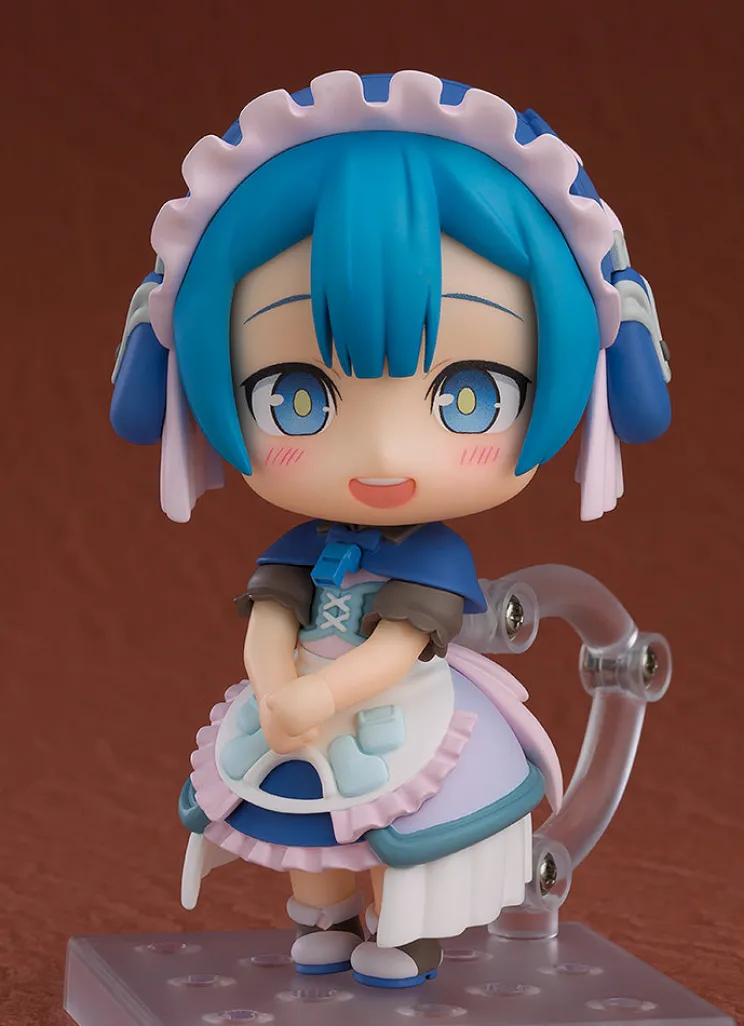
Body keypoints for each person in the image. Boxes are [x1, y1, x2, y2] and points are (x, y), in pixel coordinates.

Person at [111, 71, 671, 989]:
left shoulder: (436, 555)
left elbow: (401, 644)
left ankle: (398, 932)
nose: (382, 453)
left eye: (468, 396)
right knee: (305, 834)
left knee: (403, 833)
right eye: (297, 397)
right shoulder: (299, 547)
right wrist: (276, 684)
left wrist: (323, 696)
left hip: (391, 708)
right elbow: (271, 612)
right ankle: (328, 917)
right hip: (301, 706)